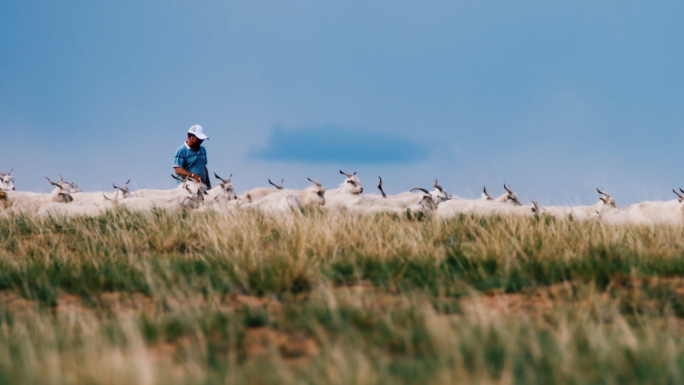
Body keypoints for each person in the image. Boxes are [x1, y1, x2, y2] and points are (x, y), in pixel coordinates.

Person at [173, 125, 211, 189]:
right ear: (190, 136)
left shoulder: (203, 150)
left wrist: (208, 186)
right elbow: (178, 170)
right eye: (198, 139)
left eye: (202, 139)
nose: (201, 141)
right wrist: (193, 176)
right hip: (186, 186)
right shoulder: (181, 150)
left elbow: (204, 168)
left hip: (201, 186)